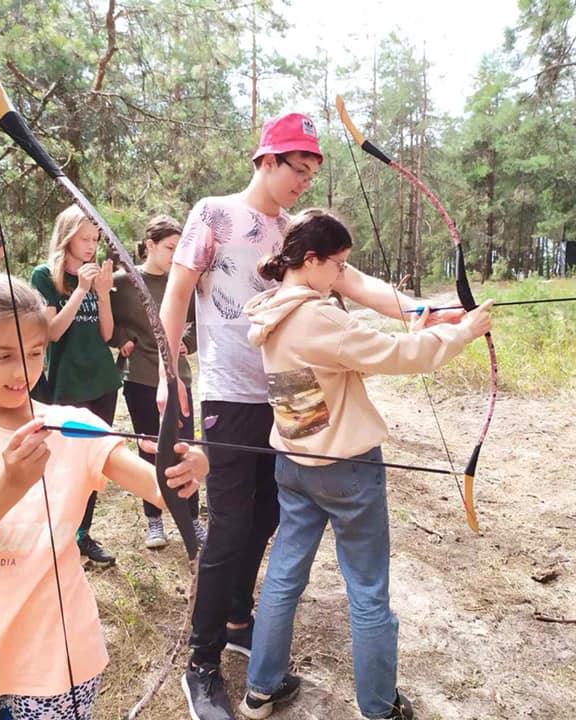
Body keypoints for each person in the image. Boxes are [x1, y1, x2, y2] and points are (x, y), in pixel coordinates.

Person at [157, 112, 454, 720]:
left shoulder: (297, 230)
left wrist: (427, 311)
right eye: (298, 167)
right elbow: (177, 294)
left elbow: (362, 284)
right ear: (266, 159)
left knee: (269, 516)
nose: (304, 181)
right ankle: (202, 664)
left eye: (313, 171)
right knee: (232, 527)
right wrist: (170, 376)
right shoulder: (213, 213)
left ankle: (241, 620)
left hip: (283, 402)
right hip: (227, 396)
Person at [0, 258, 208, 720]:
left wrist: (192, 467)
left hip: (57, 654)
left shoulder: (72, 427)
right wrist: (11, 482)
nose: (22, 370)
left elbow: (163, 491)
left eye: (36, 352)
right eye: (3, 355)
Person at [238, 209, 493, 720]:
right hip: (347, 471)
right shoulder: (316, 317)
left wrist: (418, 326)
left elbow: (341, 365)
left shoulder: (271, 311)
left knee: (284, 576)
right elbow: (401, 358)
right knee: (368, 589)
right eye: (337, 265)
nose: (341, 277)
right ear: (309, 260)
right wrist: (464, 332)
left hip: (294, 464)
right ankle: (378, 707)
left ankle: (260, 689)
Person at [30, 204, 121, 567]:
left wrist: (101, 292)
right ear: (67, 237)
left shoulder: (95, 274)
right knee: (64, 465)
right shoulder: (44, 276)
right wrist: (81, 290)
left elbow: (107, 334)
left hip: (103, 380)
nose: (91, 246)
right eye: (84, 238)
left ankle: (82, 534)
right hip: (66, 385)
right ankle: (59, 535)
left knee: (93, 464)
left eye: (95, 239)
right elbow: (51, 332)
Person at [111, 215, 206, 549]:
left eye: (181, 248)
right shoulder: (123, 282)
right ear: (149, 245)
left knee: (184, 449)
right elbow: (107, 324)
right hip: (140, 378)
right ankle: (154, 520)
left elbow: (196, 324)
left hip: (178, 378)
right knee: (150, 448)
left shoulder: (182, 281)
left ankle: (192, 521)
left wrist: (188, 344)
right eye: (170, 247)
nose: (175, 255)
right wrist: (123, 338)